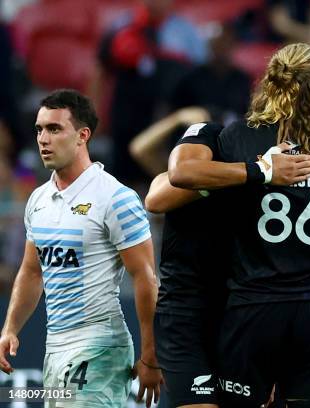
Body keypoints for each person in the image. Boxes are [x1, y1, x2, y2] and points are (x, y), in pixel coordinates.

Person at [171, 42, 310, 407]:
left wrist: (260, 172)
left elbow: (181, 178)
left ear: (268, 84)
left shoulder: (237, 138)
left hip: (253, 308)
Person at [144, 118, 310, 407]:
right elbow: (155, 199)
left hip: (245, 316)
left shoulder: (284, 174)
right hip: (186, 314)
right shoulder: (215, 140)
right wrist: (256, 171)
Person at [0, 89, 162, 407]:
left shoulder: (115, 197)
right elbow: (33, 271)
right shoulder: (38, 200)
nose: (43, 139)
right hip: (55, 345)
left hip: (100, 343)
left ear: (82, 136)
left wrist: (150, 355)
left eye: (55, 129)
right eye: (39, 129)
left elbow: (145, 278)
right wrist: (10, 328)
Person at [95, 0, 206, 185]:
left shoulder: (185, 33)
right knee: (123, 176)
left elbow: (200, 76)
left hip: (169, 118)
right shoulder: (122, 27)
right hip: (127, 116)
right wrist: (95, 112)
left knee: (162, 176)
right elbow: (101, 69)